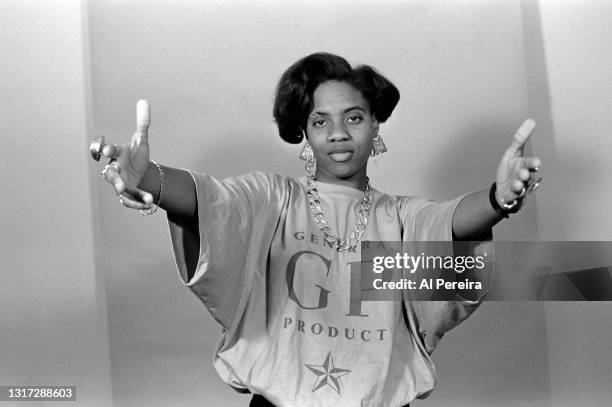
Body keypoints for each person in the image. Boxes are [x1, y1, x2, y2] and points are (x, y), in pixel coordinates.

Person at [93, 53, 542, 407]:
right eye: (320, 121)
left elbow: (446, 223)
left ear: (375, 124)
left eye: (353, 117)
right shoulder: (273, 200)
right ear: (304, 134)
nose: (338, 133)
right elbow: (214, 203)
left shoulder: (400, 219)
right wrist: (147, 176)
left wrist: (498, 199)